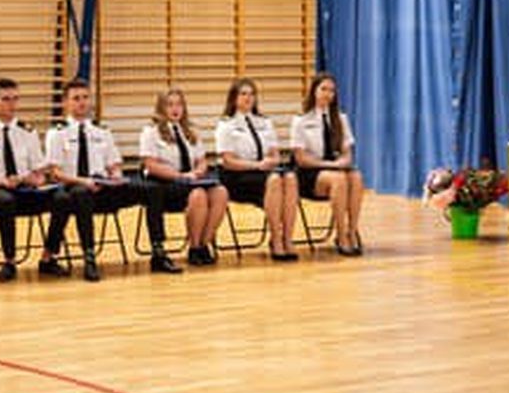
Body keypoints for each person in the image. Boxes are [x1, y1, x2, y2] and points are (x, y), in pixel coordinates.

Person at [44, 78, 182, 279]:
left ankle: (158, 251)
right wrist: (84, 181)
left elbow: (114, 165)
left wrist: (116, 176)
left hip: (103, 186)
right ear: (65, 102)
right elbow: (55, 173)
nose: (82, 102)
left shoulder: (102, 131)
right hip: (74, 187)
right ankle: (89, 257)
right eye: (76, 98)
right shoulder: (57, 133)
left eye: (85, 97)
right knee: (82, 194)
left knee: (152, 188)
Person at [0, 77, 72, 283]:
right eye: (5, 99)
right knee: (5, 201)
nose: (11, 104)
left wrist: (37, 179)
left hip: (25, 190)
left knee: (63, 198)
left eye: (15, 99)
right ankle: (9, 262)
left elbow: (40, 172)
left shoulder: (27, 132)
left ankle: (48, 257)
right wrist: (3, 182)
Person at [138, 88, 228, 266]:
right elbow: (150, 164)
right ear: (161, 108)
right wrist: (180, 176)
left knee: (220, 192)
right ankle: (194, 247)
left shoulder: (190, 130)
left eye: (179, 104)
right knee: (198, 195)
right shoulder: (151, 132)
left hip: (191, 181)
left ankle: (203, 244)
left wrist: (198, 172)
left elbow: (202, 161)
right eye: (170, 105)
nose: (175, 109)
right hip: (165, 184)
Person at [215, 78, 299, 260]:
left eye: (252, 94)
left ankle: (287, 238)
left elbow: (276, 154)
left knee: (290, 178)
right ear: (234, 98)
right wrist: (258, 165)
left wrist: (271, 161)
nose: (248, 98)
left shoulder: (264, 122)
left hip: (264, 173)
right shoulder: (226, 124)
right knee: (274, 180)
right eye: (243, 94)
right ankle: (276, 239)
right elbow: (228, 161)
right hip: (237, 176)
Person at [290, 72, 366, 256]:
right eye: (323, 89)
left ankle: (352, 231)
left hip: (335, 169)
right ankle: (340, 234)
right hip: (310, 173)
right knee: (339, 179)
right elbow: (301, 158)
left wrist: (341, 163)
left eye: (331, 90)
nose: (327, 94)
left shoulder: (341, 119)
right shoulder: (301, 120)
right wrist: (330, 165)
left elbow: (348, 155)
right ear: (314, 91)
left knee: (356, 177)